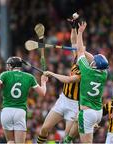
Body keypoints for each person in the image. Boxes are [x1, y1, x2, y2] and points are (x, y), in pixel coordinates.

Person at [37, 14, 93, 144]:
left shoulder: (86, 72)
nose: (79, 53)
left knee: (67, 138)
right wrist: (74, 27)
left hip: (75, 105)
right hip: (63, 99)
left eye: (82, 53)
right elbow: (74, 42)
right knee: (44, 128)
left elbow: (69, 80)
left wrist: (52, 74)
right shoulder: (77, 59)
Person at [0, 56, 48, 144]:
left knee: (10, 141)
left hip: (6, 111)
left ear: (11, 66)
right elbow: (42, 93)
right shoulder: (29, 77)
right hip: (20, 111)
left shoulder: (5, 74)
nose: (7, 67)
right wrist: (43, 82)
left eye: (8, 65)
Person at [76, 21, 109, 143]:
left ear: (95, 64)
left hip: (87, 112)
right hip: (98, 112)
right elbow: (88, 56)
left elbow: (79, 51)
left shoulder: (86, 70)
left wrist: (80, 33)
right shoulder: (104, 74)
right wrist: (83, 51)